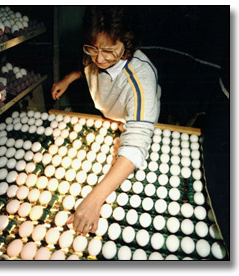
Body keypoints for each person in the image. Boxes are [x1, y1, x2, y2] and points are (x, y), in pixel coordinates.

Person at [51, 6, 161, 236]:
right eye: (93, 48)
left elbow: (136, 144)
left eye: (109, 51)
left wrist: (94, 199)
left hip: (133, 121)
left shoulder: (141, 80)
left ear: (128, 46)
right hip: (108, 116)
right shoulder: (97, 51)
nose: (98, 58)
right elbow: (89, 66)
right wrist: (69, 78)